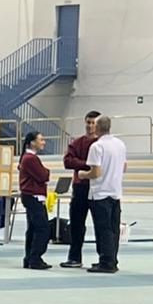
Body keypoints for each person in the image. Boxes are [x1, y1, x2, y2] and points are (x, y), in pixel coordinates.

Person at [85, 115, 127, 274]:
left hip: (100, 193)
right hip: (115, 192)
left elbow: (95, 172)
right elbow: (124, 167)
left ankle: (106, 262)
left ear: (97, 127)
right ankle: (112, 259)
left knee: (103, 230)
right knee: (113, 228)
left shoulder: (97, 147)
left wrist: (83, 175)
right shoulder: (120, 144)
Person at [60, 111, 102, 269]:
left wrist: (83, 164)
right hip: (80, 187)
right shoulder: (77, 142)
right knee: (77, 224)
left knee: (101, 225)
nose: (90, 126)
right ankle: (74, 257)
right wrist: (88, 164)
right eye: (88, 122)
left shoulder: (102, 144)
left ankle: (103, 258)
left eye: (93, 123)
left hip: (98, 188)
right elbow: (67, 161)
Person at [19, 131, 52, 270]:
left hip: (30, 196)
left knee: (33, 229)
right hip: (34, 196)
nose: (43, 142)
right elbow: (43, 175)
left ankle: (29, 257)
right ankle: (35, 257)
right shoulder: (31, 159)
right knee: (43, 228)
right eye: (41, 139)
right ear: (33, 142)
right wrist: (46, 171)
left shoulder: (27, 158)